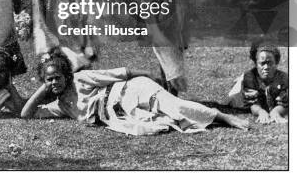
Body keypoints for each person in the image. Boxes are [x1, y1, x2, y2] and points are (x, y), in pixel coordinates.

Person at [21, 49, 249, 135]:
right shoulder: (61, 106)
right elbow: (26, 114)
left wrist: (151, 76)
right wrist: (44, 86)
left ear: (67, 75)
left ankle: (224, 117)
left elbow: (122, 72)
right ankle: (209, 118)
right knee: (163, 124)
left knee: (175, 107)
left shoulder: (80, 79)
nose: (53, 83)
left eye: (57, 78)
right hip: (120, 115)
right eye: (48, 80)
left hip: (132, 90)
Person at [227, 43, 288, 124]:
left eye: (270, 63)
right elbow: (253, 104)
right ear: (256, 64)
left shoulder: (284, 77)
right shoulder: (250, 76)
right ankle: (239, 80)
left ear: (276, 63)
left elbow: (285, 103)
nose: (266, 67)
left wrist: (276, 112)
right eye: (262, 63)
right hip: (241, 97)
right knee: (234, 98)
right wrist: (261, 112)